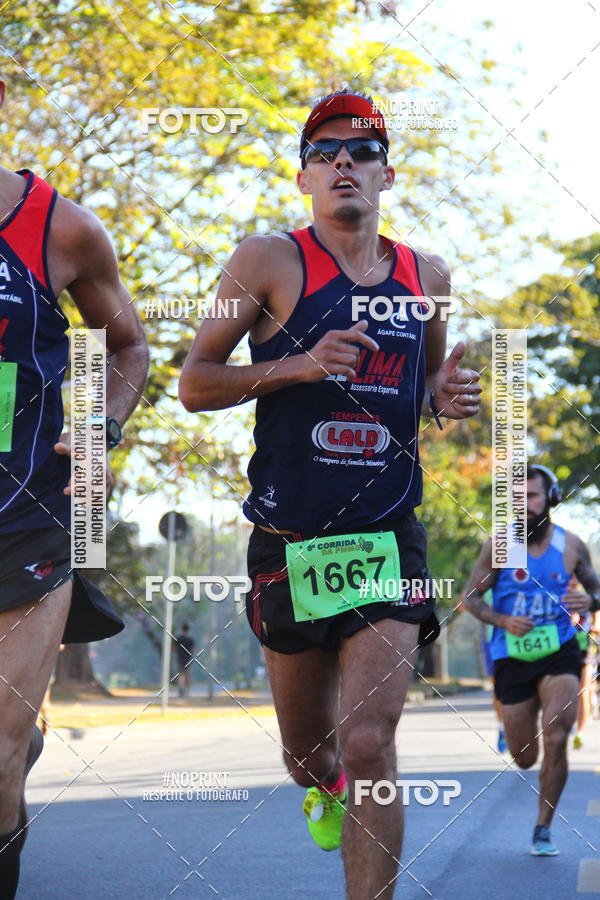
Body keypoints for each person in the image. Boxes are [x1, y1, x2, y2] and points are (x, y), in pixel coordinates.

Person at [180, 88, 481, 897]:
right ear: (306, 176)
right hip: (290, 539)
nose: (344, 161)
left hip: (388, 536)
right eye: (325, 151)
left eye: (363, 150)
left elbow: (418, 387)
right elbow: (193, 383)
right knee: (311, 755)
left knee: (371, 740)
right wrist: (300, 364)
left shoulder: (430, 275)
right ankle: (324, 788)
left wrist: (439, 400)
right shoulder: (266, 261)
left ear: (389, 174)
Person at [0, 78, 148, 897]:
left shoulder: (59, 227)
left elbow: (127, 345)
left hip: (25, 517)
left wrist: (102, 427)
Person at [463, 463, 600, 856]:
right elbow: (469, 599)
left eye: (534, 497)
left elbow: (597, 590)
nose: (526, 506)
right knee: (525, 757)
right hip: (513, 655)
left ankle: (543, 827)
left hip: (559, 650)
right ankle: (517, 736)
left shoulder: (571, 545)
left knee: (557, 737)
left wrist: (589, 600)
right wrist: (503, 618)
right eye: (518, 499)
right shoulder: (499, 546)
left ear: (552, 498)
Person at [572, 607, 600, 748]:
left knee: (583, 689)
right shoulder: (558, 586)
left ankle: (579, 733)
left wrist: (595, 624)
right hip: (564, 644)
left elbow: (596, 606)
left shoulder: (591, 586)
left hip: (587, 644)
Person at [174, 624, 196, 698]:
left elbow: (174, 649)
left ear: (182, 630)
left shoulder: (179, 638)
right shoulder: (190, 639)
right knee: (187, 674)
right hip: (188, 659)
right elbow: (193, 650)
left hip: (180, 658)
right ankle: (187, 690)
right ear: (188, 630)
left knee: (181, 674)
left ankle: (181, 690)